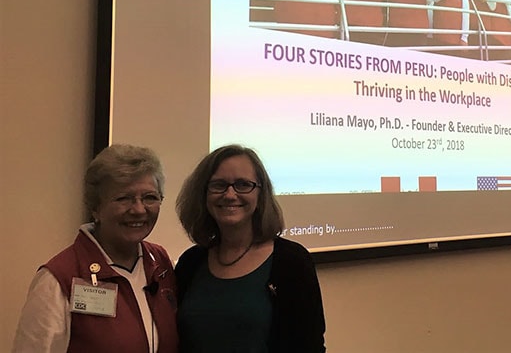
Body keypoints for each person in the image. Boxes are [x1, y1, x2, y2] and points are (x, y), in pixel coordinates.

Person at [12, 144, 178, 353]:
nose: (138, 209)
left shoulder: (161, 263)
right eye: (123, 198)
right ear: (95, 208)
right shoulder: (58, 279)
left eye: (150, 197)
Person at [175, 144, 326, 353]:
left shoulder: (291, 262)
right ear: (203, 194)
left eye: (243, 184)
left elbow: (310, 347)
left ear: (260, 194)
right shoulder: (190, 263)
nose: (229, 194)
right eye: (218, 185)